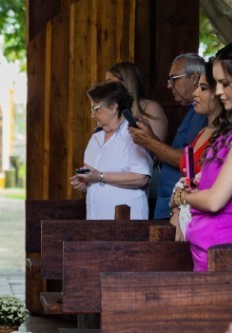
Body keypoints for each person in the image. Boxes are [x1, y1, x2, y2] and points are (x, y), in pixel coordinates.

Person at [176, 41, 232, 271]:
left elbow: (214, 201)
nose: (219, 91)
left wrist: (183, 196)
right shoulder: (230, 130)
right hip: (208, 247)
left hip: (225, 252)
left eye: (225, 83)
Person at [129, 53, 208, 219]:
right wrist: (150, 136)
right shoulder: (192, 111)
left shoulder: (202, 113)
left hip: (179, 207)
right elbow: (173, 154)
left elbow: (190, 160)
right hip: (170, 203)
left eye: (174, 79)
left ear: (194, 78)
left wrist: (150, 142)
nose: (168, 85)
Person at [70, 81, 152, 220]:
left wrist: (100, 176)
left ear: (114, 107)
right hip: (95, 219)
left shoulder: (134, 134)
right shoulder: (95, 138)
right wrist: (85, 182)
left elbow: (141, 178)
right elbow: (94, 178)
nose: (92, 115)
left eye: (95, 109)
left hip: (128, 222)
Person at [169, 61, 221, 241]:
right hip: (184, 220)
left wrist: (179, 198)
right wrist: (176, 210)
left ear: (219, 93)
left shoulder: (224, 139)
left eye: (203, 88)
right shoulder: (201, 132)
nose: (195, 93)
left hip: (205, 226)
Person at [106, 61, 169, 142]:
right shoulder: (111, 110)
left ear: (127, 82)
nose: (106, 88)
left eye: (110, 83)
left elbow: (158, 148)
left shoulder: (151, 107)